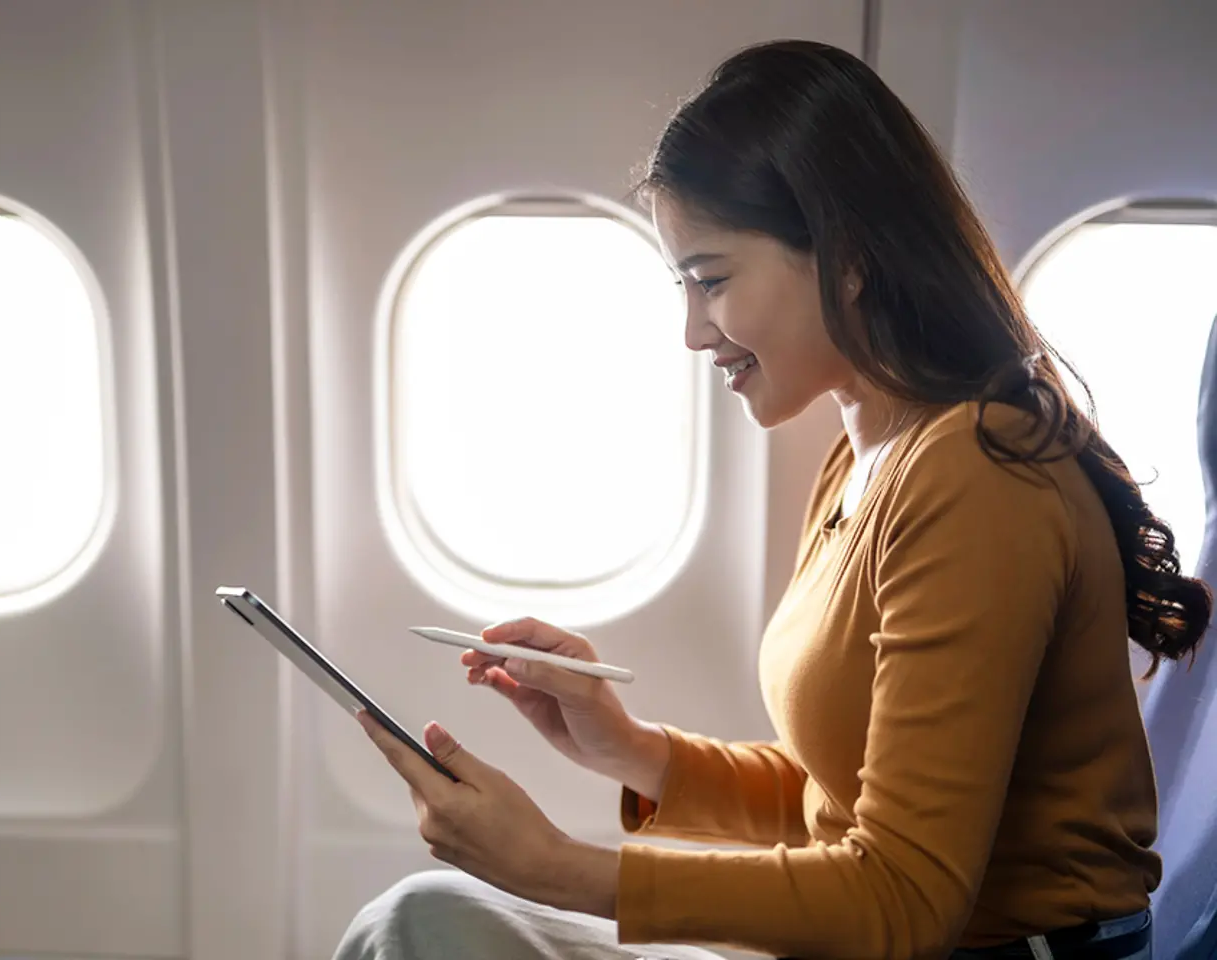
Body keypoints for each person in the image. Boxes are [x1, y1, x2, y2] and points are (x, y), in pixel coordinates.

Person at [336, 38, 1212, 960]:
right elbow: (832, 800)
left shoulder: (979, 476)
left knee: (420, 926)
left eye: (711, 280)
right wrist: (629, 748)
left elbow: (905, 898)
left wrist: (555, 867)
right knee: (417, 921)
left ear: (847, 255)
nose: (689, 330)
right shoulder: (866, 454)